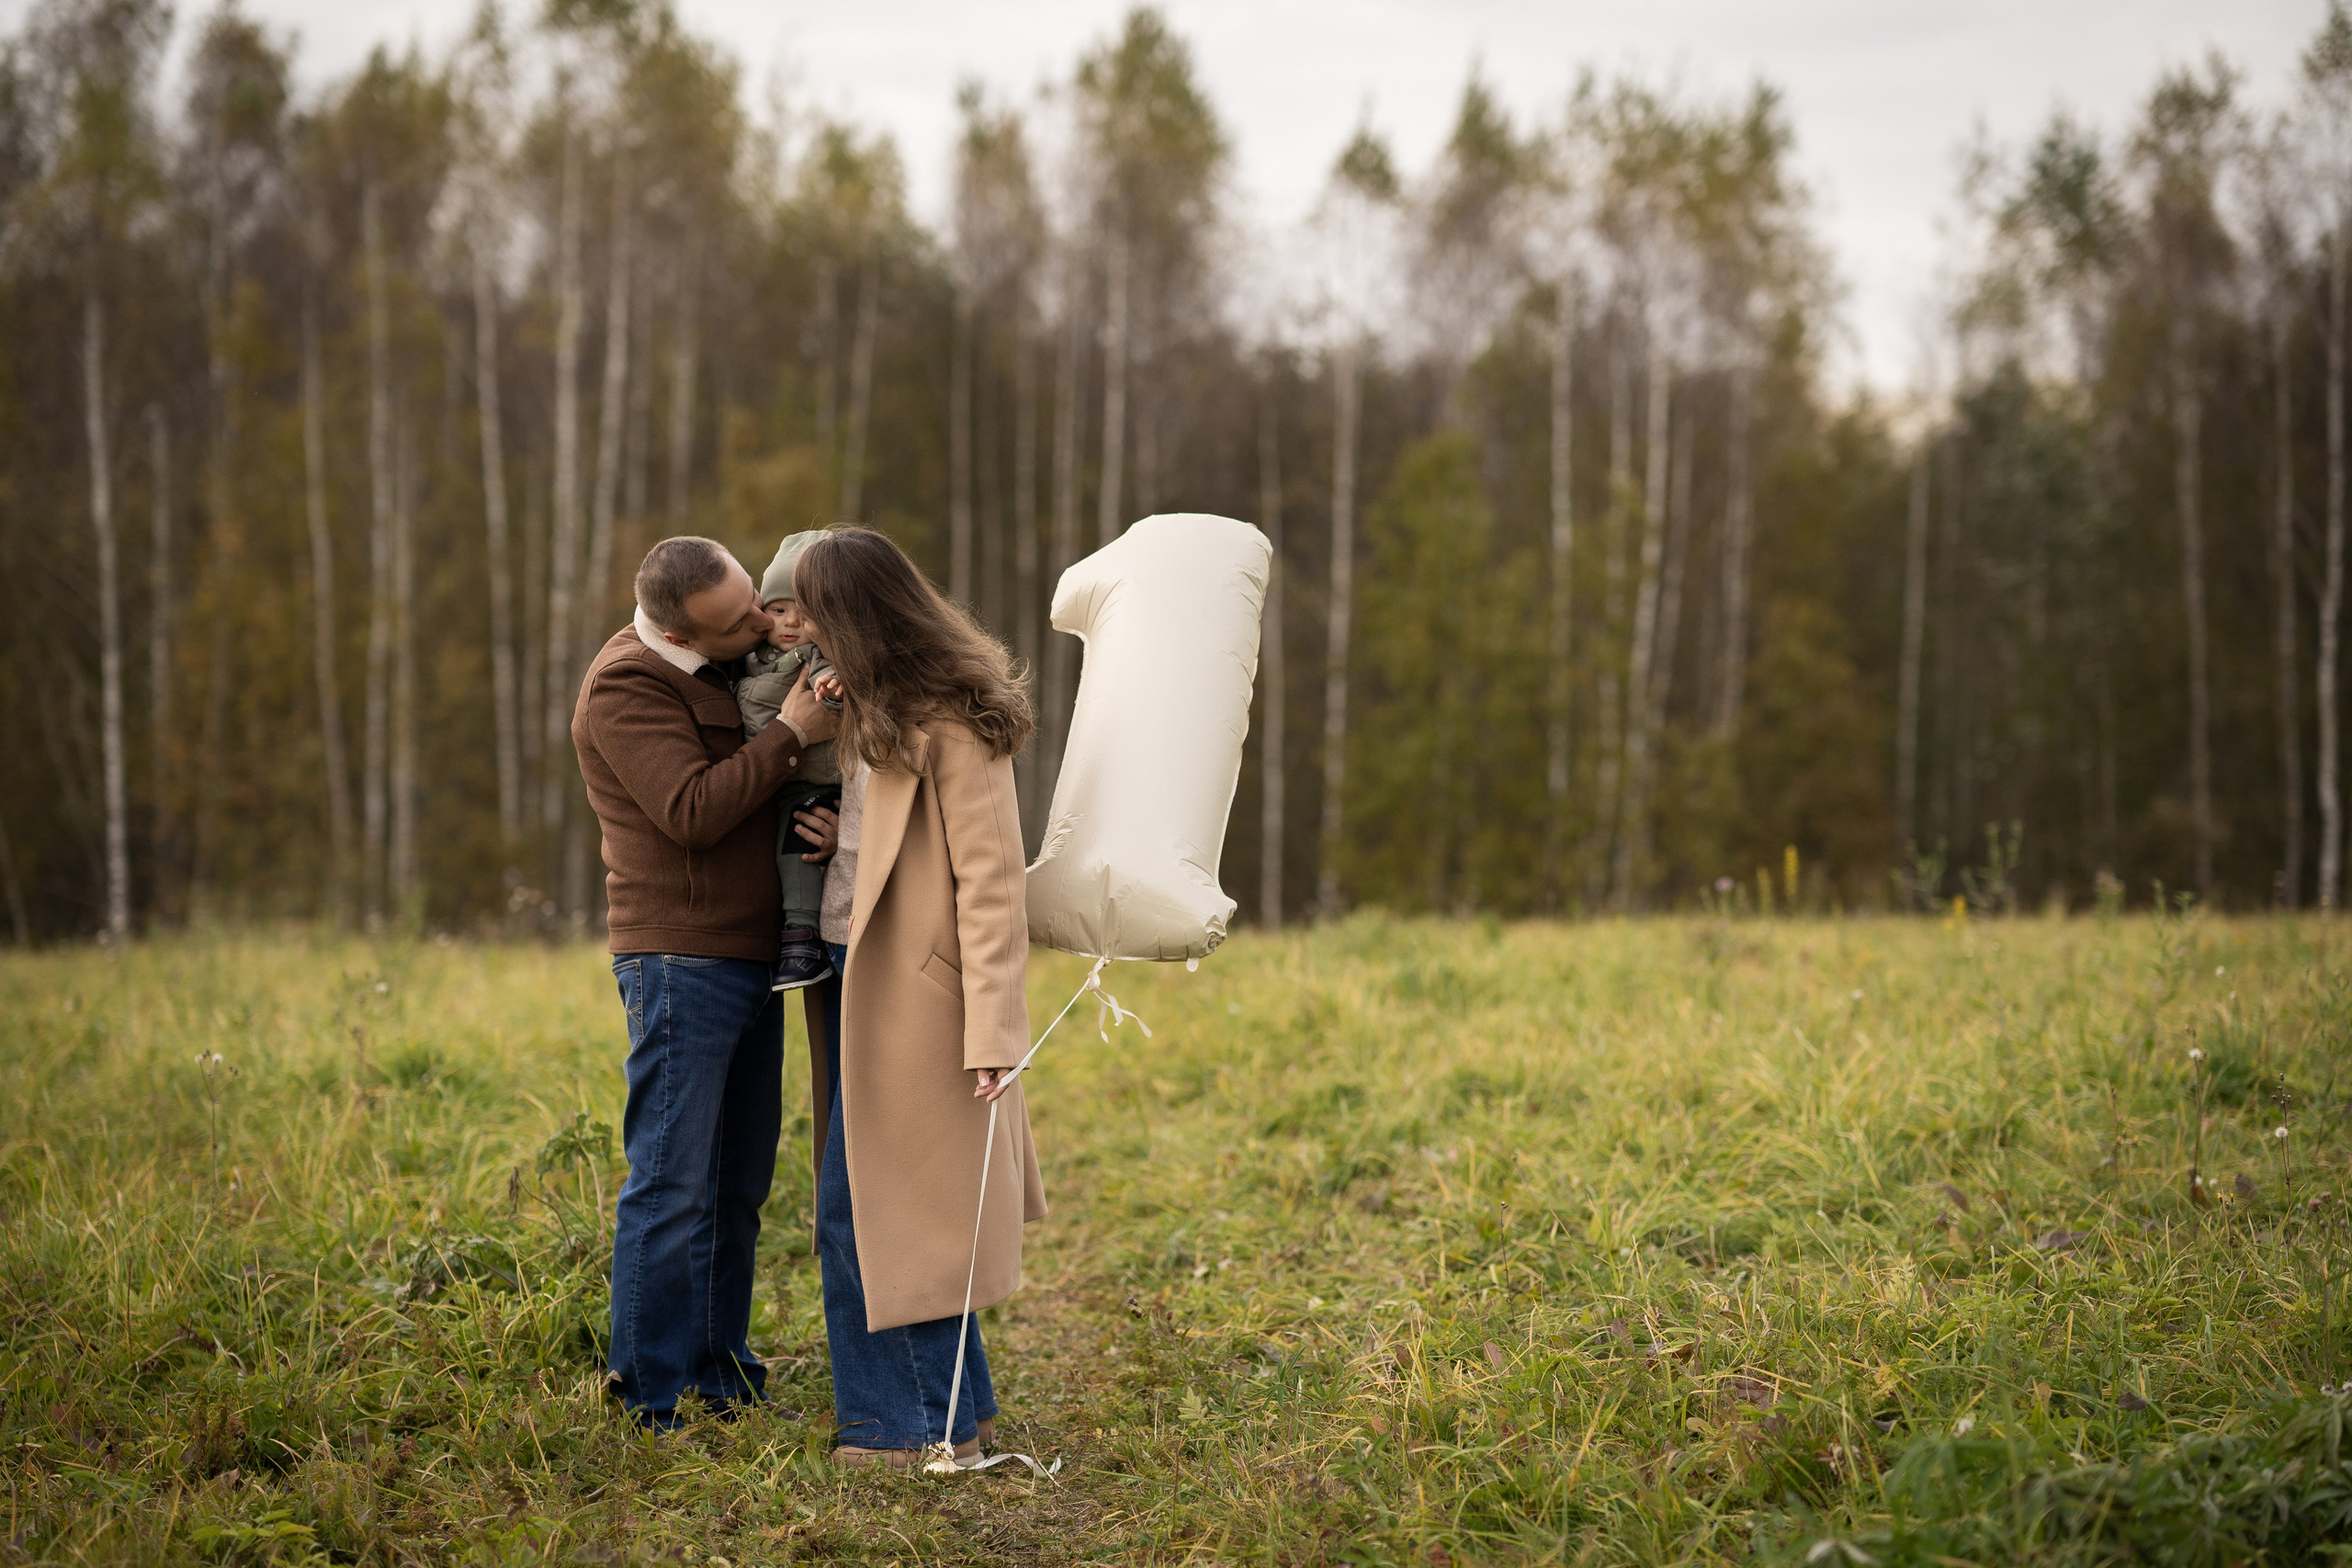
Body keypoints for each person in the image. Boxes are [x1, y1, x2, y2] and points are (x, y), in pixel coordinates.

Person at [570, 536, 836, 1429]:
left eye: (755, 603)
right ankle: (646, 1396)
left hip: (751, 956)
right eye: (738, 622)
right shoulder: (626, 684)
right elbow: (690, 812)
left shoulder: (739, 657)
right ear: (681, 628)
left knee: (736, 1185)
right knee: (670, 1182)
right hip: (681, 958)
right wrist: (797, 733)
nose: (762, 623)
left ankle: (722, 1377)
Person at [793, 525, 1043, 1469]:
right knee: (896, 1211)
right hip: (862, 987)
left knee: (881, 1214)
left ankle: (902, 1432)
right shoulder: (871, 708)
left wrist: (993, 1028)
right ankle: (954, 1418)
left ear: (854, 614)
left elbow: (992, 882)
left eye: (814, 608)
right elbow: (890, 844)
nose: (800, 626)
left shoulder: (954, 717)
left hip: (923, 1006)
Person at [736, 530, 845, 993]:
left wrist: (834, 692)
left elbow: (832, 686)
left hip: (811, 777)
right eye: (779, 610)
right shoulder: (749, 656)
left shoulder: (815, 656)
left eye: (805, 614)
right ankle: (796, 935)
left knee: (799, 846)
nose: (790, 623)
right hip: (770, 775)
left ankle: (801, 939)